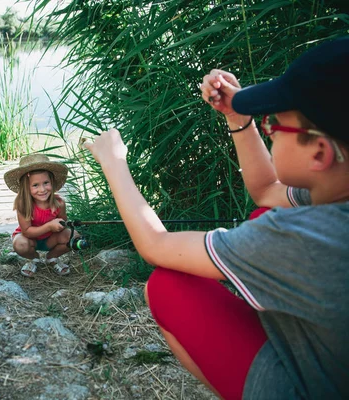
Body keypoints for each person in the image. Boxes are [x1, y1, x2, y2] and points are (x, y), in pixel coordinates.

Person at [83, 37, 349, 399]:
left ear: (319, 151)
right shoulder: (334, 193)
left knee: (167, 286)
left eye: (274, 125)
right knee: (263, 211)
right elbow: (267, 191)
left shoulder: (303, 236)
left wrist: (114, 163)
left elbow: (155, 246)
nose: (268, 131)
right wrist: (239, 120)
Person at [4, 154, 77, 277]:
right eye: (35, 185)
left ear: (52, 182)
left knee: (73, 237)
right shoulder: (23, 205)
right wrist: (49, 226)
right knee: (20, 244)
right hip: (30, 239)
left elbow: (63, 222)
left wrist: (62, 224)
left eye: (46, 183)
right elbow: (26, 232)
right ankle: (33, 258)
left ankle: (52, 258)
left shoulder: (59, 203)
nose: (42, 189)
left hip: (50, 239)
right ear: (26, 187)